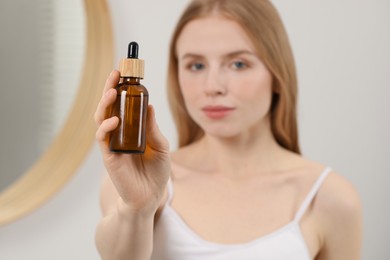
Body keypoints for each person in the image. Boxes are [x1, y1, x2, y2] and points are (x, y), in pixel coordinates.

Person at [94, 0, 363, 259]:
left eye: (238, 64)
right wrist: (137, 208)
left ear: (278, 75)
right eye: (196, 65)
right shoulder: (140, 183)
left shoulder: (329, 197)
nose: (213, 86)